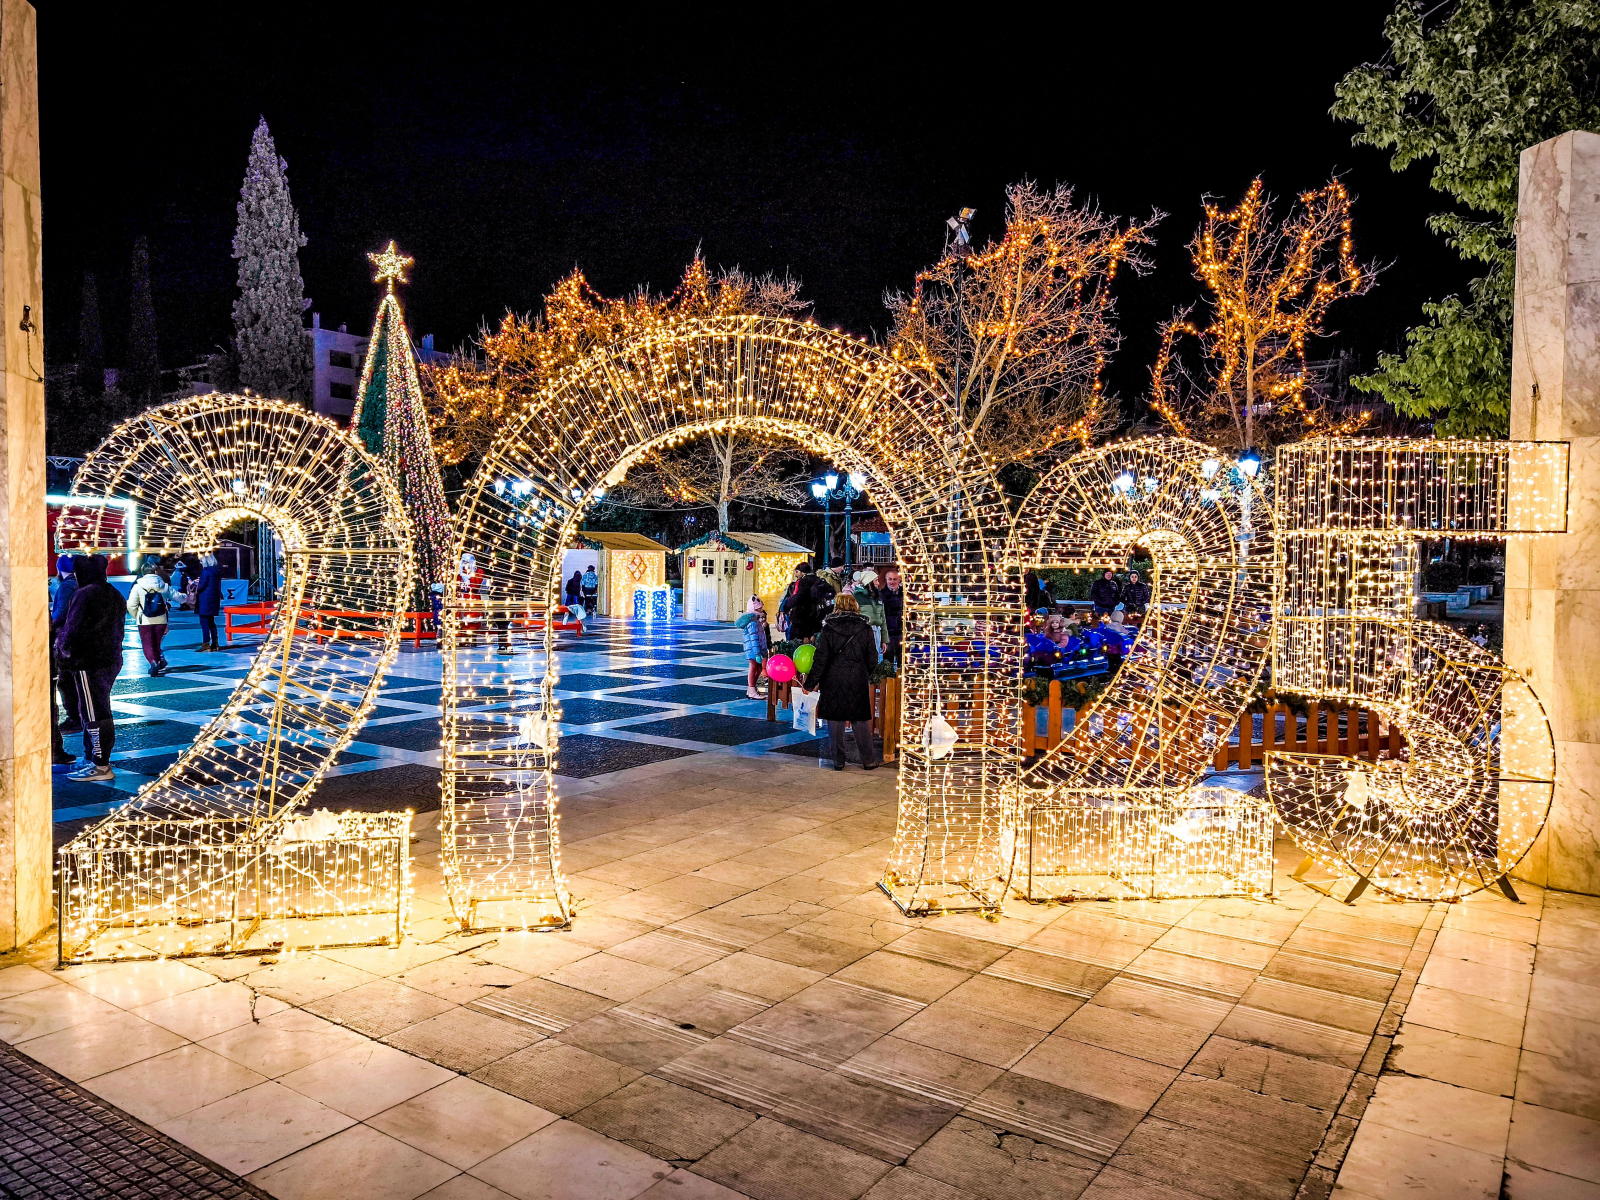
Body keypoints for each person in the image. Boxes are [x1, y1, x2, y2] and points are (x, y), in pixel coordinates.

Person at [56, 554, 124, 782]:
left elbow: (72, 630)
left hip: (88, 661)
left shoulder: (84, 594)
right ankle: (96, 760)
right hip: (110, 659)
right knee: (100, 707)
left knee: (93, 712)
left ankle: (100, 764)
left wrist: (61, 654)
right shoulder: (113, 593)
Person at [805, 592, 881, 771]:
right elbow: (872, 657)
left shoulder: (829, 628)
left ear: (836, 606)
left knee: (835, 720)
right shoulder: (865, 628)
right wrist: (865, 672)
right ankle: (868, 760)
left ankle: (839, 762)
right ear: (855, 605)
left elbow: (820, 658)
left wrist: (810, 683)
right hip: (857, 677)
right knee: (860, 719)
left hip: (833, 677)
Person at [49, 556, 80, 769]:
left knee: (64, 683)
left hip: (64, 641)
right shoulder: (82, 585)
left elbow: (59, 615)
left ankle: (73, 717)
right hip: (78, 642)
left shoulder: (66, 587)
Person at [127, 556, 177, 676]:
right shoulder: (164, 582)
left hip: (145, 620)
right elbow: (176, 596)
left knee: (147, 644)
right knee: (157, 643)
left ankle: (153, 663)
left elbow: (131, 604)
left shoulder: (138, 585)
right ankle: (159, 660)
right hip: (161, 618)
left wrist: (136, 615)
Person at [737, 595, 771, 699]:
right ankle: (751, 689)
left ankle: (751, 689)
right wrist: (757, 653)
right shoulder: (752, 622)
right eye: (760, 608)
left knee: (759, 667)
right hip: (753, 650)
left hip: (757, 649)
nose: (762, 609)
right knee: (753, 667)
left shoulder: (755, 620)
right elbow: (754, 638)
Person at [784, 562, 826, 642]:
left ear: (802, 572)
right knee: (814, 640)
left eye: (797, 572)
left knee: (798, 640)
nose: (796, 575)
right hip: (816, 616)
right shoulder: (818, 580)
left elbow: (798, 597)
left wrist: (787, 605)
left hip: (802, 616)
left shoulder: (803, 581)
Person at [193, 552, 225, 651]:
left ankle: (206, 644)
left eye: (201, 560)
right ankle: (215, 643)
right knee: (211, 621)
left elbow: (202, 587)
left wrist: (195, 584)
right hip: (213, 599)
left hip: (205, 599)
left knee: (204, 622)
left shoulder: (205, 571)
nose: (200, 562)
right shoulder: (216, 572)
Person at [880, 566, 904, 663]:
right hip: (889, 632)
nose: (892, 582)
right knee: (888, 660)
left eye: (895, 579)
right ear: (886, 580)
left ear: (899, 580)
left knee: (902, 660)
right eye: (890, 579)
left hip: (902, 631)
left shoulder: (905, 594)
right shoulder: (881, 594)